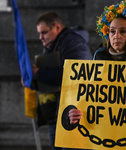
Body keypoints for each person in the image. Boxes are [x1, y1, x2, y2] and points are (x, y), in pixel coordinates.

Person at [68, 0, 126, 134]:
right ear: (107, 33)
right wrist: (74, 114)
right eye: (112, 31)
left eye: (123, 31)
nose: (116, 36)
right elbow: (85, 100)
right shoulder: (95, 64)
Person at [32, 12, 92, 150]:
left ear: (57, 27)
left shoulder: (72, 41)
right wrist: (33, 80)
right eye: (39, 33)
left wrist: (39, 73)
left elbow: (76, 73)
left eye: (44, 32)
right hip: (58, 114)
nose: (40, 37)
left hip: (69, 114)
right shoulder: (56, 44)